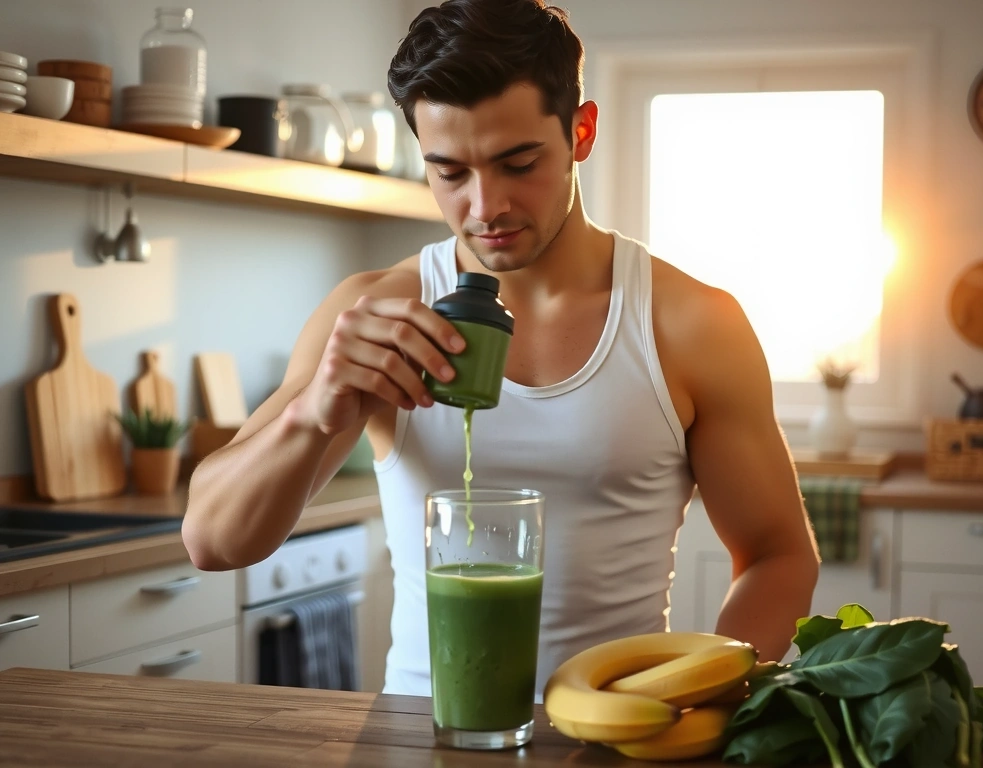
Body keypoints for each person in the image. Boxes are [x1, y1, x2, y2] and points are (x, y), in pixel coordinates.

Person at [182, 0, 820, 698]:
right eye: (450, 173)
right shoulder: (377, 311)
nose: (485, 207)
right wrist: (314, 412)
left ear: (581, 131)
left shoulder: (691, 323)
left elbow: (777, 556)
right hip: (417, 738)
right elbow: (213, 542)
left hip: (616, 742)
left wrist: (706, 685)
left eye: (517, 163)